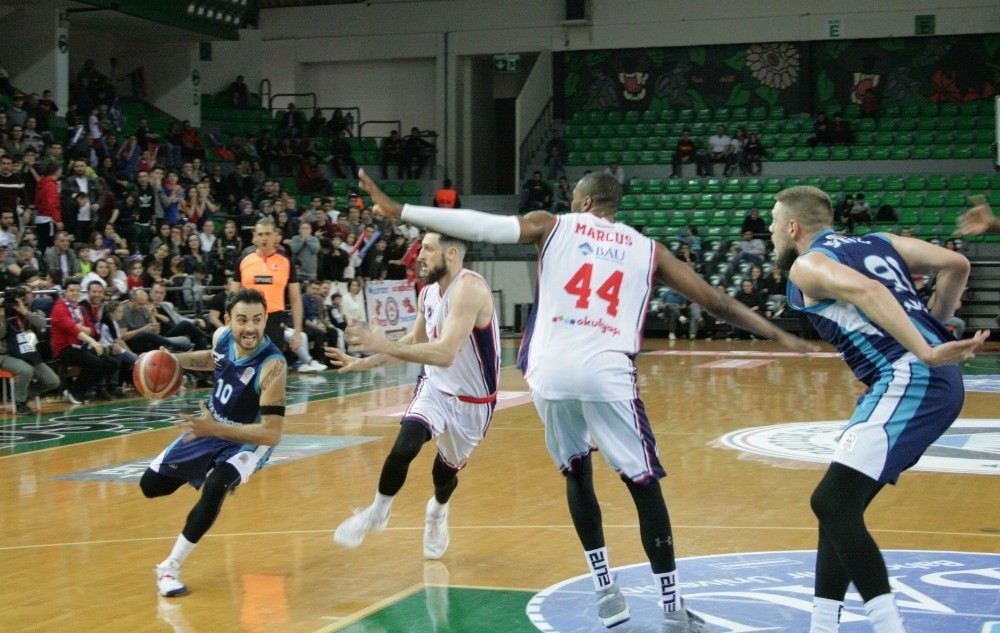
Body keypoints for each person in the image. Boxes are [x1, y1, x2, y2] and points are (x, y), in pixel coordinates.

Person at [355, 168, 816, 631]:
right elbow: (714, 301)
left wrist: (401, 210)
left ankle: (606, 593)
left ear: (584, 203)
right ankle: (674, 609)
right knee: (642, 483)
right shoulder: (647, 248)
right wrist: (778, 334)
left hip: (549, 371)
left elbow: (482, 224)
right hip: (605, 372)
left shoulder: (552, 224)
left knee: (577, 471)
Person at [769, 186, 989, 633]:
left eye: (774, 225)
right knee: (839, 506)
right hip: (922, 379)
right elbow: (956, 264)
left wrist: (928, 349)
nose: (772, 233)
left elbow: (868, 290)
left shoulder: (808, 265)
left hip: (912, 376)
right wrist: (937, 326)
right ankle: (823, 624)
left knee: (830, 502)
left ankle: (888, 625)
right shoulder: (879, 242)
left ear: (793, 228)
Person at [326, 231, 500, 561]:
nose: (419, 256)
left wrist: (381, 344)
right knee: (404, 445)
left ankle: (437, 511)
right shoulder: (429, 294)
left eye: (427, 249)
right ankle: (378, 512)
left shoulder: (471, 289)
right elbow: (415, 343)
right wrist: (365, 362)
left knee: (443, 475)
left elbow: (446, 352)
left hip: (472, 403)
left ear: (451, 254)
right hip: (435, 387)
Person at [140, 288, 287, 598]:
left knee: (217, 484)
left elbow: (271, 434)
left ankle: (169, 567)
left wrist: (214, 428)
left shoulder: (273, 366)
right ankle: (204, 467)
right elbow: (213, 359)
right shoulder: (222, 337)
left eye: (258, 320)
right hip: (211, 426)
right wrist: (169, 361)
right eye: (243, 320)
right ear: (227, 320)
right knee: (151, 486)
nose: (251, 328)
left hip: (247, 440)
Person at [237, 217, 304, 356]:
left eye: (268, 234)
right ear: (254, 236)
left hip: (274, 320)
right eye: (260, 234)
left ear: (275, 236)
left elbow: (295, 299)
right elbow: (232, 296)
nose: (264, 238)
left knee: (272, 368)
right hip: (248, 320)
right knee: (248, 369)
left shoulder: (286, 262)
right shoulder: (244, 260)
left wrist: (297, 332)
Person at [0, 286, 60, 414]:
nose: (24, 296)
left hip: (29, 353)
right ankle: (20, 402)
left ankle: (23, 393)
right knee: (26, 370)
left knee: (53, 381)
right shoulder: (4, 313)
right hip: (6, 354)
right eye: (21, 294)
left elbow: (42, 324)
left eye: (27, 293)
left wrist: (24, 311)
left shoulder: (35, 311)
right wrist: (1, 316)